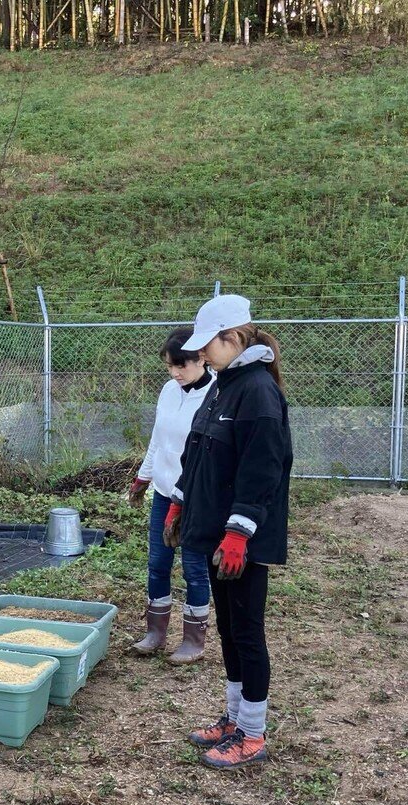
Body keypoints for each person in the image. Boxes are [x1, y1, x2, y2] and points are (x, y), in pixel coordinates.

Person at [164, 295, 293, 770]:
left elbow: (263, 469)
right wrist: (180, 501)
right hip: (214, 533)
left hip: (241, 541)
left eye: (208, 345)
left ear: (233, 338)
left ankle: (252, 733)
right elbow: (197, 455)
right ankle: (234, 718)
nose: (202, 353)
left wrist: (239, 533)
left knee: (247, 632)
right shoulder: (224, 385)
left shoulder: (257, 391)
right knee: (229, 628)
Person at [129, 327, 214, 663]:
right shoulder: (168, 390)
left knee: (194, 567)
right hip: (164, 493)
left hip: (195, 498)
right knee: (157, 564)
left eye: (182, 365)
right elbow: (158, 438)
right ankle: (155, 632)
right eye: (169, 366)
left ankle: (193, 640)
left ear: (202, 359)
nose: (175, 372)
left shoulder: (216, 394)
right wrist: (143, 477)